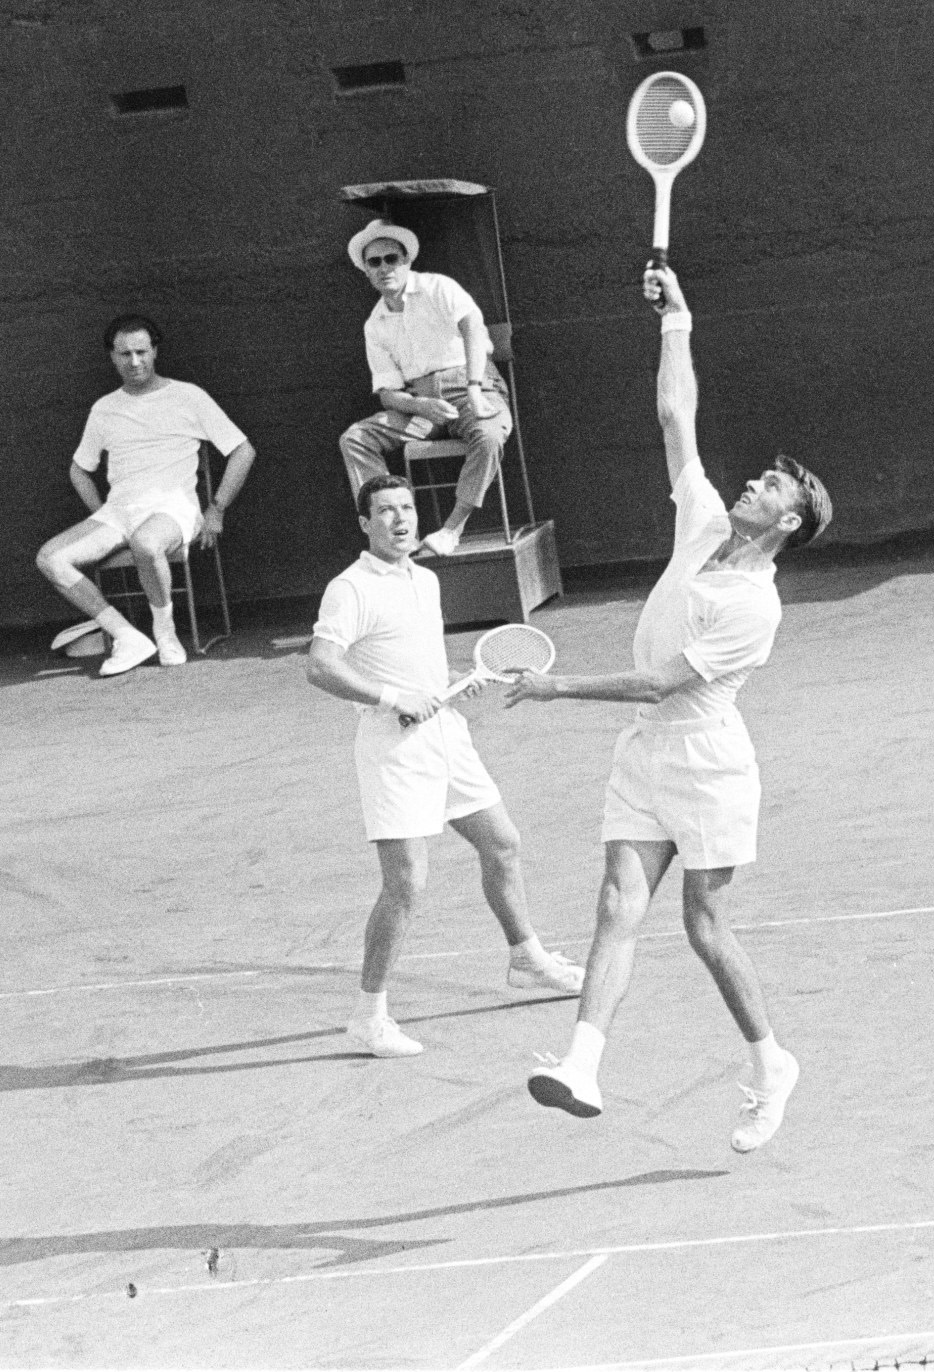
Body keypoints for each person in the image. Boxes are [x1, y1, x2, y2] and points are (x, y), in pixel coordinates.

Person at [506, 264, 832, 1153]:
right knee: (616, 905)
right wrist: (676, 323)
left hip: (707, 761)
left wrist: (554, 686)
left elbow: (659, 683)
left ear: (789, 524)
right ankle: (582, 1065)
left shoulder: (753, 608)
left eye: (769, 488)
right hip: (645, 753)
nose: (751, 487)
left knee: (702, 924)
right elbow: (675, 418)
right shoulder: (702, 524)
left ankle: (771, 1063)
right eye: (759, 477)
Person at [306, 473, 585, 1058]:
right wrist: (391, 698)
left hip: (446, 735)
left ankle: (526, 958)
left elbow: (414, 662)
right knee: (405, 882)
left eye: (407, 508)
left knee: (502, 843)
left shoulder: (426, 580)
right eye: (385, 511)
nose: (400, 519)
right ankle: (369, 1017)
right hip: (393, 749)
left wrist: (445, 689)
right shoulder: (350, 588)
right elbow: (322, 667)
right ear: (364, 524)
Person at [35, 314, 256, 674]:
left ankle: (165, 633)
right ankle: (127, 636)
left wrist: (217, 510)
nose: (134, 361)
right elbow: (80, 468)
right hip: (119, 512)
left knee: (146, 543)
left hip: (173, 508)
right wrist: (100, 511)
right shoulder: (105, 408)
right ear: (112, 357)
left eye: (141, 351)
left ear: (155, 351)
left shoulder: (188, 395)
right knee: (51, 558)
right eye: (125, 354)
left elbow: (243, 450)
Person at [336, 221, 513, 558]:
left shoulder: (437, 287)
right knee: (355, 438)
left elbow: (474, 330)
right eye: (375, 262)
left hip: (471, 387)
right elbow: (387, 393)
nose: (385, 268)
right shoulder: (375, 324)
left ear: (406, 261)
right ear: (367, 272)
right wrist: (422, 407)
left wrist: (475, 389)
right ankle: (396, 535)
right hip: (422, 406)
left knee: (489, 436)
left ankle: (451, 530)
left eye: (392, 259)